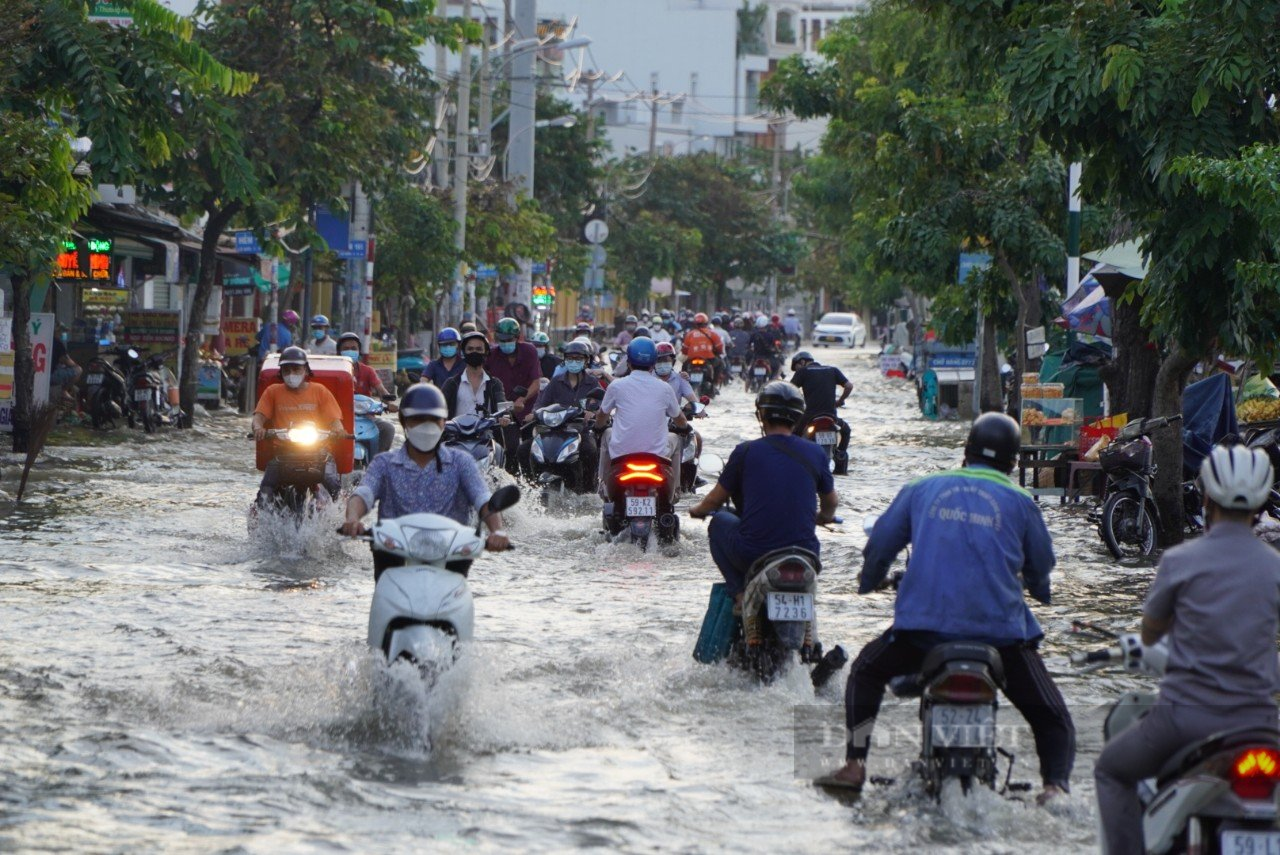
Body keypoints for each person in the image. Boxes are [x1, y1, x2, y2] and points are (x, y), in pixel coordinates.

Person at [817, 413, 1074, 805]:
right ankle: (1054, 789)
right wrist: (1039, 591)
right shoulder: (1022, 501)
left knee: (866, 672)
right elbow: (1041, 566)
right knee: (1052, 716)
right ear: (1013, 464)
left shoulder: (923, 487)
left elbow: (881, 544)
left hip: (923, 633)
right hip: (1002, 637)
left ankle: (854, 766)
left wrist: (868, 582)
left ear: (965, 453)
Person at [1094, 444, 1280, 854]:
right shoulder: (1274, 567)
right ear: (1263, 501)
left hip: (1184, 722)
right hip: (1262, 726)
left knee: (1110, 771)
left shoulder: (1180, 561)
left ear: (1207, 496)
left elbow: (1150, 635)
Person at [342, 383, 511, 580]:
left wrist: (497, 531)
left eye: (433, 419)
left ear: (443, 423)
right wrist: (352, 520)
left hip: (449, 571)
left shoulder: (461, 463)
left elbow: (483, 500)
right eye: (418, 419)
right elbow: (363, 494)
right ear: (404, 421)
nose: (426, 426)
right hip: (394, 571)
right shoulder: (384, 463)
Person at [689, 381, 838, 603]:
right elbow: (831, 502)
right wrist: (824, 517)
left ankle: (740, 595)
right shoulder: (816, 453)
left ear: (762, 415)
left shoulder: (746, 451)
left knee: (718, 522)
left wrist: (697, 510)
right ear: (797, 418)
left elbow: (713, 501)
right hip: (807, 555)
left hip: (755, 553)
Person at [597, 338, 688, 500]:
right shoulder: (665, 388)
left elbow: (602, 416)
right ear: (653, 364)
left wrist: (597, 427)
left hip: (621, 454)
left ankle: (603, 486)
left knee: (605, 435)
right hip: (657, 455)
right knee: (676, 439)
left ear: (629, 363)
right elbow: (680, 418)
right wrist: (684, 426)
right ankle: (675, 491)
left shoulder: (616, 386)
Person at [251, 346, 346, 502]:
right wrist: (258, 428)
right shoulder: (272, 391)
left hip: (318, 452)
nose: (291, 374)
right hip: (283, 452)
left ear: (306, 370)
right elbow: (258, 417)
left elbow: (335, 421)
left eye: (296, 369)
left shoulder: (320, 391)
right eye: (286, 370)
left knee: (333, 484)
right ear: (280, 372)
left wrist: (339, 431)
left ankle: (344, 515)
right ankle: (260, 519)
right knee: (265, 490)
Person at [519, 339, 603, 479]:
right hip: (553, 431)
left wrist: (592, 412)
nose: (574, 361)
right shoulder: (556, 381)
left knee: (590, 450)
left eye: (578, 358)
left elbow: (600, 404)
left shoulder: (592, 382)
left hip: (580, 431)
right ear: (565, 360)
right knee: (524, 449)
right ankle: (530, 486)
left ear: (586, 360)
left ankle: (588, 489)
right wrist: (534, 414)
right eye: (570, 358)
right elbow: (541, 403)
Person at [485, 317, 540, 472]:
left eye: (509, 340)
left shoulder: (529, 351)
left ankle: (532, 480)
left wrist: (522, 399)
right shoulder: (492, 355)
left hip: (528, 408)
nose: (505, 344)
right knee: (510, 449)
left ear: (517, 338)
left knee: (532, 450)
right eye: (501, 340)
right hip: (505, 411)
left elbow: (536, 383)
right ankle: (510, 480)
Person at [790, 351, 853, 475]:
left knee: (793, 437)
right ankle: (840, 456)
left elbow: (789, 389)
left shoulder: (803, 372)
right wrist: (840, 401)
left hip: (810, 417)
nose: (795, 370)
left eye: (796, 366)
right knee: (846, 431)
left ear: (802, 362)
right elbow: (849, 386)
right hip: (831, 417)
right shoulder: (832, 370)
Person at [336, 332, 398, 453]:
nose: (350, 351)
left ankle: (378, 462)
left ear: (359, 351)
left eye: (353, 348)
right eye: (346, 349)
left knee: (388, 429)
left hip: (366, 417)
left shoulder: (367, 371)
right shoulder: (333, 371)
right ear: (339, 352)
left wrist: (387, 401)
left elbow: (381, 389)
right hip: (338, 418)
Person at [442, 330, 507, 418]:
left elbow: (502, 408)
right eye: (470, 349)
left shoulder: (495, 384)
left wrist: (504, 417)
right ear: (463, 352)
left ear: (486, 352)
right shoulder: (452, 383)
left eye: (479, 349)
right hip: (457, 431)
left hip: (487, 431)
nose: (474, 352)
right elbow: (439, 408)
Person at [680, 313, 724, 383]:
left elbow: (684, 350)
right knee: (720, 364)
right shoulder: (712, 333)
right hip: (709, 358)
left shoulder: (690, 334)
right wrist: (718, 352)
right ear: (706, 323)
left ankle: (683, 384)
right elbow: (719, 347)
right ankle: (715, 383)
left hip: (692, 358)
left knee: (684, 367)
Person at [50, 324, 81, 409]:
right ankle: (64, 391)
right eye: (61, 332)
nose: (62, 334)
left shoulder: (45, 339)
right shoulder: (57, 343)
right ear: (56, 331)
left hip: (42, 373)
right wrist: (76, 365)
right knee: (78, 370)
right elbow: (68, 362)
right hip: (51, 376)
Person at [747, 314, 782, 382]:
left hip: (756, 356)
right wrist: (778, 351)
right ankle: (771, 381)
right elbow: (774, 347)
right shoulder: (770, 335)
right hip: (767, 357)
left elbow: (749, 346)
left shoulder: (754, 335)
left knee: (749, 373)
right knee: (777, 367)